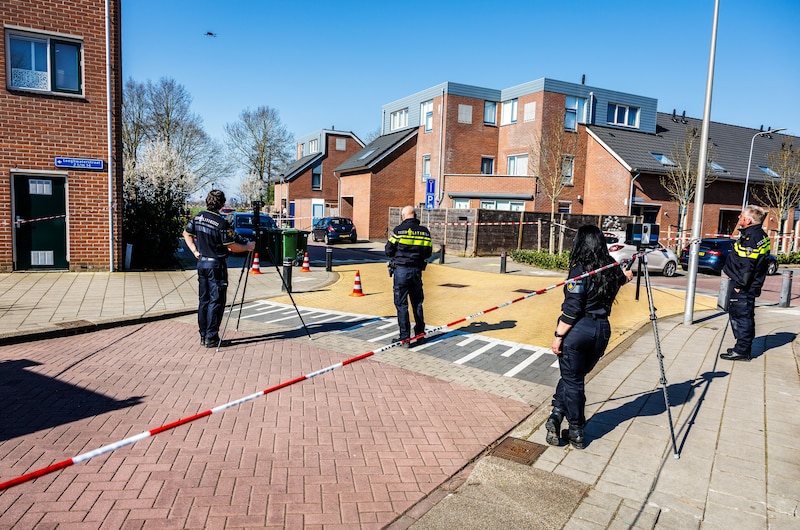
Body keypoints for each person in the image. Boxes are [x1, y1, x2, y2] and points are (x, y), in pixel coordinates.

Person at [546, 225, 633, 449]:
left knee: (573, 381)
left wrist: (558, 336)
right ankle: (556, 415)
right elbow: (620, 280)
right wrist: (626, 277)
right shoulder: (611, 266)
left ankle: (576, 430)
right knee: (573, 377)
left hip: (579, 330)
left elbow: (572, 308)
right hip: (601, 330)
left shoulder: (580, 270)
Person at [183, 190, 254, 347]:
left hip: (202, 263)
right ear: (222, 204)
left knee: (204, 300)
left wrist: (195, 251)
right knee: (216, 301)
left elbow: (186, 234)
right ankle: (212, 337)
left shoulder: (198, 217)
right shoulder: (221, 223)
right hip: (216, 265)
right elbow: (232, 246)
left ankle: (203, 335)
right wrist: (248, 247)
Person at [720, 205, 771, 362]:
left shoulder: (751, 239)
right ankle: (742, 347)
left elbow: (747, 265)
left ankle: (742, 350)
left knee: (741, 316)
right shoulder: (760, 236)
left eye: (741, 216)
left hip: (743, 286)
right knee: (745, 315)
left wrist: (739, 285)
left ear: (748, 220)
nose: (739, 218)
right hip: (749, 284)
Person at [385, 206, 433, 346]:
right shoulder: (424, 232)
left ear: (404, 215)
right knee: (417, 303)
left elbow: (388, 250)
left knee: (401, 304)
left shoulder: (398, 231)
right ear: (415, 215)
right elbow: (428, 252)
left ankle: (405, 338)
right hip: (417, 271)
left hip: (401, 271)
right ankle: (420, 335)